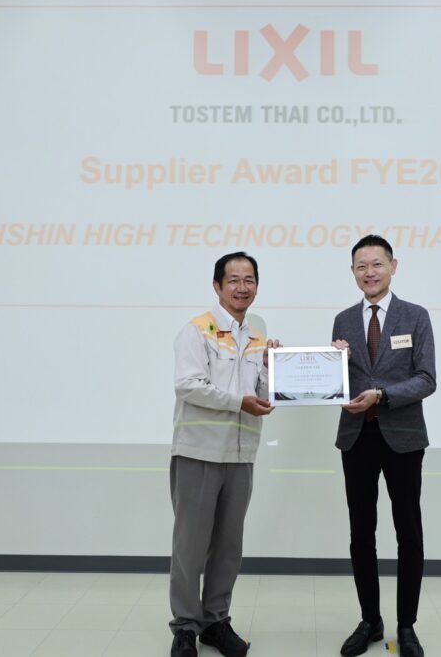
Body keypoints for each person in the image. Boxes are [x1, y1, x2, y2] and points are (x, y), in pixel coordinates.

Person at [169, 252, 279, 657]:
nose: (242, 287)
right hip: (199, 453)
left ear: (257, 287)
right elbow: (188, 385)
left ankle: (215, 622)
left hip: (241, 455)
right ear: (217, 286)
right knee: (190, 547)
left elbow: (262, 396)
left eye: (249, 280)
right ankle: (185, 627)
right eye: (233, 280)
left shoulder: (258, 337)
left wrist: (271, 368)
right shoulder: (197, 330)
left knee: (229, 547)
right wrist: (239, 402)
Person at [331, 235, 436, 657]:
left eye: (377, 264)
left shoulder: (416, 316)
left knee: (408, 533)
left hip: (403, 437)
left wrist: (383, 395)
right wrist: (331, 364)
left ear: (393, 266)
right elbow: (337, 382)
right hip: (356, 437)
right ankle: (370, 620)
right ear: (353, 272)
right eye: (361, 266)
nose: (369, 272)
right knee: (361, 533)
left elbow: (426, 378)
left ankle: (406, 625)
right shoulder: (342, 320)